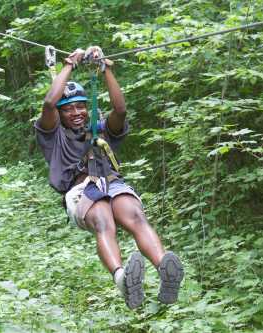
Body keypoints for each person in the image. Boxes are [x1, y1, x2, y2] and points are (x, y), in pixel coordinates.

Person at [34, 46, 184, 309]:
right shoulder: (52, 134)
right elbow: (49, 103)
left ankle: (165, 268)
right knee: (104, 221)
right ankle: (122, 279)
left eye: (82, 107)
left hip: (111, 181)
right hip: (80, 189)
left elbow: (121, 110)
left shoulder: (100, 130)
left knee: (134, 215)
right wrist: (69, 65)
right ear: (60, 114)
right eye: (69, 109)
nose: (77, 112)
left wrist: (106, 69)